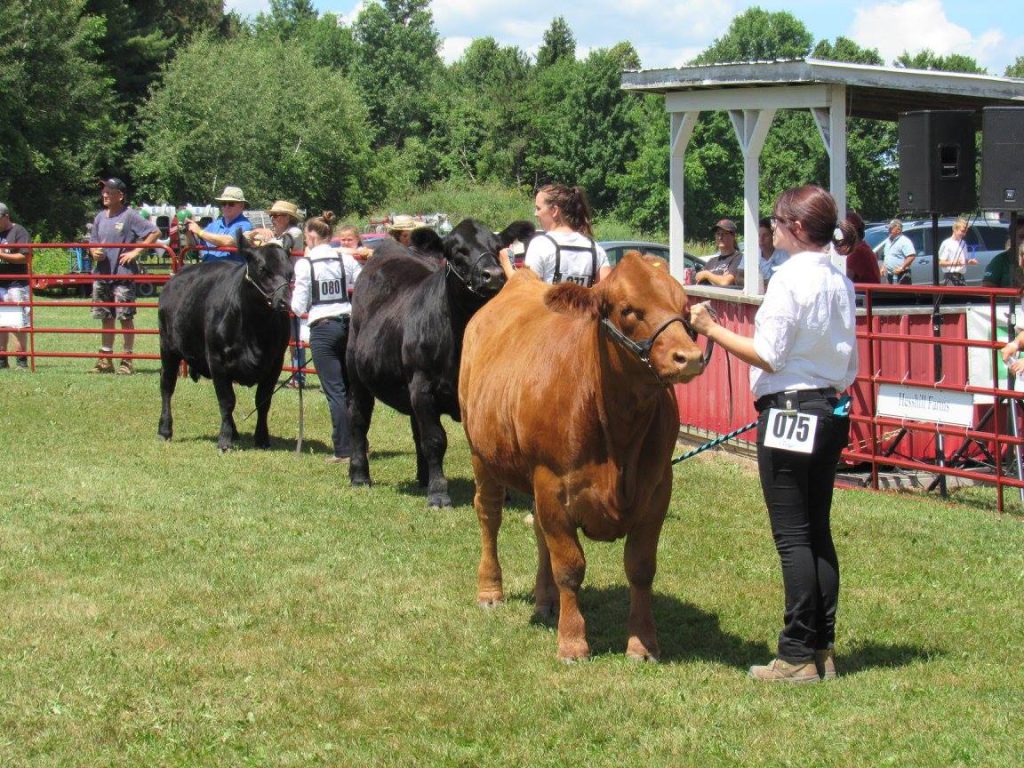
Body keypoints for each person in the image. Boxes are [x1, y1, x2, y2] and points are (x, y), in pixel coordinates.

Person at [690, 184, 858, 684]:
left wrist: (710, 326)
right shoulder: (839, 279)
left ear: (797, 229)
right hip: (831, 408)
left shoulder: (789, 280)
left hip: (791, 409)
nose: (771, 230)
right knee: (817, 528)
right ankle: (821, 647)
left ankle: (795, 655)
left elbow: (770, 354)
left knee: (793, 537)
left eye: (777, 223)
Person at [290, 211, 363, 464]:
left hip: (323, 328)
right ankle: (360, 444)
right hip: (349, 324)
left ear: (310, 236)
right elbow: (363, 285)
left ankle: (344, 450)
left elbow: (298, 306)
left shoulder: (305, 265)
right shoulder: (346, 260)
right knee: (352, 388)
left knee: (335, 390)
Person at [88, 178, 160, 375]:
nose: (105, 194)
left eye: (109, 191)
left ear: (120, 195)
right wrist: (93, 252)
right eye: (104, 191)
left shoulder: (130, 216)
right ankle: (105, 359)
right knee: (106, 317)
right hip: (102, 274)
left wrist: (136, 252)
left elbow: (154, 232)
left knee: (125, 317)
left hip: (122, 275)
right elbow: (92, 243)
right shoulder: (99, 217)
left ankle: (127, 360)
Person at [517, 184, 610, 286]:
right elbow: (607, 292)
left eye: (538, 208)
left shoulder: (541, 245)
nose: (536, 214)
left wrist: (505, 263)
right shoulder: (596, 249)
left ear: (554, 211)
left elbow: (526, 290)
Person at [186, 186, 253, 263]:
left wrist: (200, 232)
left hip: (228, 273)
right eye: (223, 203)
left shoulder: (245, 225)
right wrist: (188, 232)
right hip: (206, 270)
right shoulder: (214, 225)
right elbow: (193, 247)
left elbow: (228, 241)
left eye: (231, 204)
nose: (226, 206)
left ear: (241, 206)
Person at [0, 203, 31, 369]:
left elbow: (24, 256)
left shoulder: (19, 231)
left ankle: (21, 360)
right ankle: (2, 359)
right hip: (0, 283)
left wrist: (1, 253)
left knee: (18, 323)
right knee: (1, 323)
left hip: (16, 283)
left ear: (6, 216)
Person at [835, 211, 881, 284]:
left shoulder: (857, 251)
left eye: (842, 230)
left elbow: (845, 280)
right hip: (868, 293)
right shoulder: (862, 247)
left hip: (866, 294)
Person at [696, 219, 744, 288]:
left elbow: (725, 282)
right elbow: (698, 278)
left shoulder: (739, 258)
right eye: (718, 234)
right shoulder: (712, 261)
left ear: (733, 236)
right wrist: (718, 279)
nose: (720, 237)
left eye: (725, 234)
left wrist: (707, 275)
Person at [981, 218, 1024, 289]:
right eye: (1022, 236)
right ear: (1012, 238)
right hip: (1010, 300)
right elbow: (987, 290)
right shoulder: (1000, 260)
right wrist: (1014, 290)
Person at [937, 217, 977, 286]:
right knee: (954, 296)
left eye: (965, 232)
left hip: (960, 275)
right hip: (950, 276)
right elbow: (941, 262)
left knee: (963, 295)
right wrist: (954, 263)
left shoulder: (963, 243)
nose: (964, 234)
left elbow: (963, 261)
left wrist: (969, 261)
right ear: (955, 229)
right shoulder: (947, 243)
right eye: (962, 231)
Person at [881, 219, 916, 284]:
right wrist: (883, 267)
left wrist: (901, 267)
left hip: (902, 275)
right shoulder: (888, 241)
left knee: (901, 294)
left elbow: (911, 256)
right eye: (889, 228)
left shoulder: (904, 241)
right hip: (890, 275)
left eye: (891, 229)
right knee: (891, 293)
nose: (889, 230)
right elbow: (887, 256)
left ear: (898, 230)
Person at [757, 216, 789, 284]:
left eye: (765, 235)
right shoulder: (752, 252)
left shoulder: (786, 256)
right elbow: (739, 276)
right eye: (758, 235)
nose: (761, 240)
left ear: (774, 235)